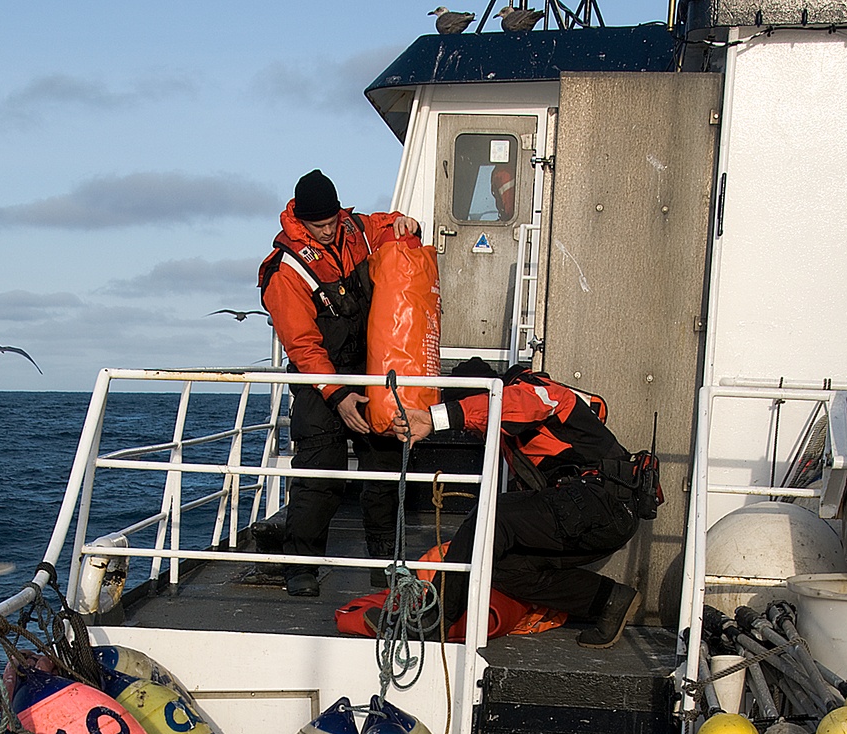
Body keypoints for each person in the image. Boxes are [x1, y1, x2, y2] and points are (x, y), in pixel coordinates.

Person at [382, 361, 643, 648]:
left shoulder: (534, 390)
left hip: (602, 504)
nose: (470, 431)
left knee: (491, 517)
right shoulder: (516, 434)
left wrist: (440, 418)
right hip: (589, 516)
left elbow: (514, 403)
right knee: (504, 566)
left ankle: (436, 623)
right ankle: (610, 600)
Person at [259, 170, 420, 597]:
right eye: (320, 225)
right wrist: (338, 395)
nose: (329, 230)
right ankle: (301, 567)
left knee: (385, 464)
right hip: (320, 379)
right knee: (318, 471)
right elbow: (303, 347)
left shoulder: (355, 229)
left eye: (333, 220)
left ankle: (386, 564)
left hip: (370, 367)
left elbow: (389, 224)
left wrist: (408, 223)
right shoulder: (285, 270)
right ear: (300, 220)